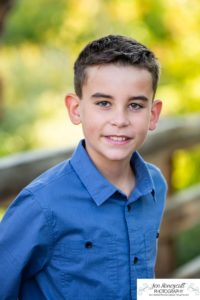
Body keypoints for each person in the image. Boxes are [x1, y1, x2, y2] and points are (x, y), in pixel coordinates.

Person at [0, 34, 167, 300]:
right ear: (76, 109)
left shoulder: (154, 186)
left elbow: (137, 283)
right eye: (104, 103)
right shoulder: (42, 204)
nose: (120, 119)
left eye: (135, 105)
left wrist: (188, 292)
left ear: (153, 114)